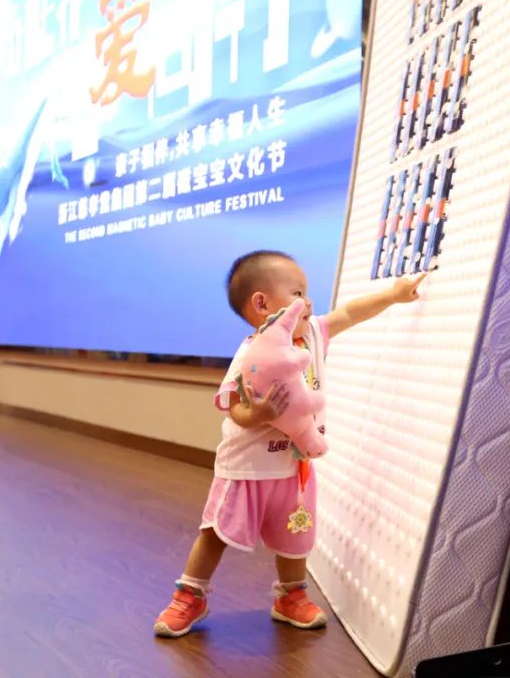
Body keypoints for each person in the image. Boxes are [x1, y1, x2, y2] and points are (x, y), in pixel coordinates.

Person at [155, 250, 425, 637]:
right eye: (297, 293)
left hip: (294, 468)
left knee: (295, 537)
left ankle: (290, 596)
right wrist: (259, 414)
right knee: (216, 532)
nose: (308, 302)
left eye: (307, 292)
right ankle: (190, 595)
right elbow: (233, 407)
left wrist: (393, 295)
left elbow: (350, 313)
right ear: (262, 304)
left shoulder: (311, 334)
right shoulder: (251, 354)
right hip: (246, 469)